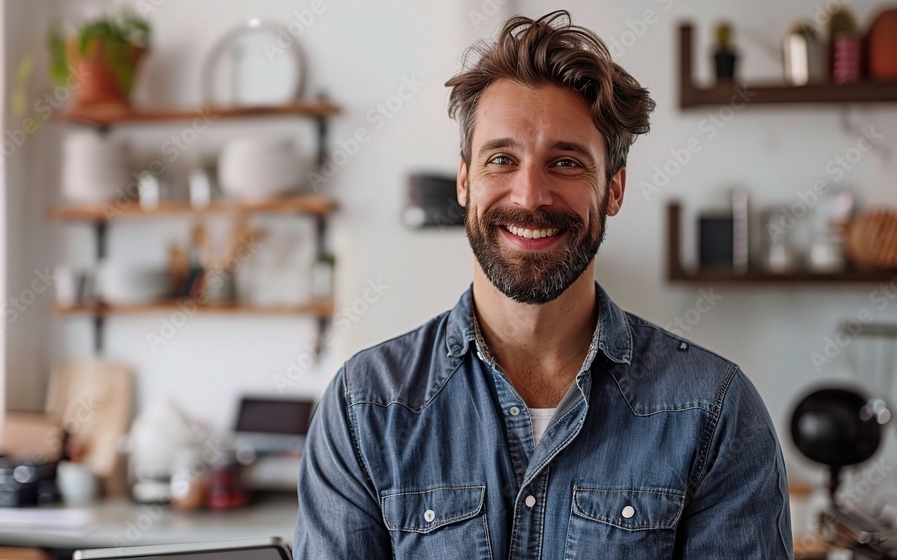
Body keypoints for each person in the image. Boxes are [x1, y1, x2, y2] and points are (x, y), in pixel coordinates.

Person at [294, 10, 792, 559]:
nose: (530, 196)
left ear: (614, 190)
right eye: (501, 159)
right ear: (465, 181)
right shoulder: (365, 407)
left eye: (566, 162)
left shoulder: (715, 411)